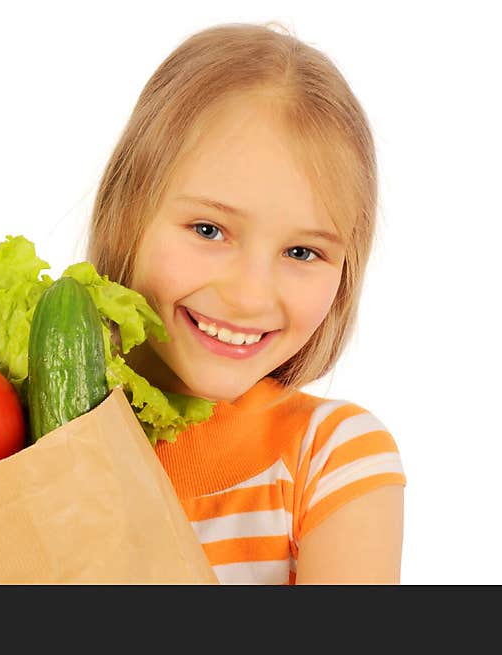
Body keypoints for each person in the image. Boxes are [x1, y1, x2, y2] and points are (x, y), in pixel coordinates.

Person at [86, 22, 406, 584]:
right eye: (208, 230)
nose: (250, 295)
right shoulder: (29, 440)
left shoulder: (331, 458)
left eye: (303, 252)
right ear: (127, 213)